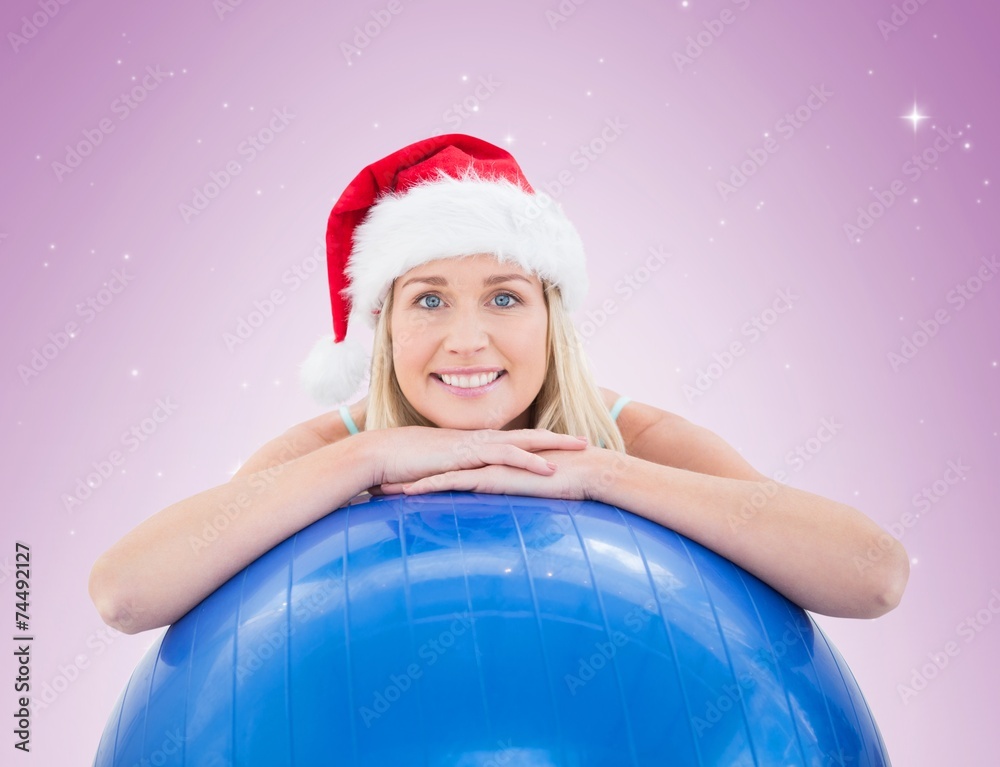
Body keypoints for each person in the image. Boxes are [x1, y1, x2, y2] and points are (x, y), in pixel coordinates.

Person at [88, 134, 909, 635]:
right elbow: (123, 594)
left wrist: (598, 474)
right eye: (429, 299)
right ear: (385, 325)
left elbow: (874, 574)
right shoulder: (330, 450)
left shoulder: (635, 436)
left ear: (552, 317)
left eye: (505, 297)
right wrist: (373, 455)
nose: (467, 338)